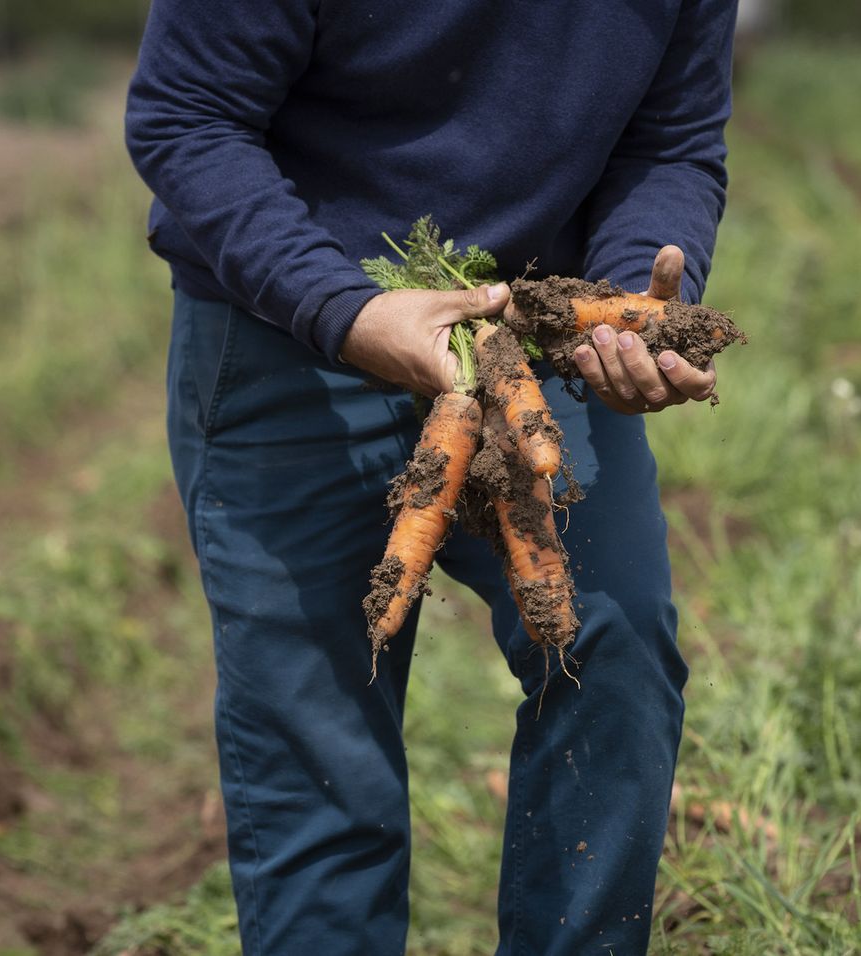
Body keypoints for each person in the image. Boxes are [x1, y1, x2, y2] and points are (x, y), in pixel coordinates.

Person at [124, 0, 735, 952]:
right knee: (318, 759)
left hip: (530, 331)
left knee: (612, 657)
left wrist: (623, 311)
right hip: (290, 331)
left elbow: (670, 141)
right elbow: (188, 113)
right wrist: (343, 308)